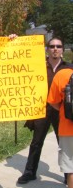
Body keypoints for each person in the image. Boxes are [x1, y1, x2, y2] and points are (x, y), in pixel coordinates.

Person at [17, 37, 72, 184]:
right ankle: (30, 172)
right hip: (42, 109)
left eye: (58, 46)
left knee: (64, 142)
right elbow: (19, 63)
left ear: (62, 49)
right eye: (52, 46)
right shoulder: (38, 66)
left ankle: (69, 175)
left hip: (62, 110)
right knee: (36, 142)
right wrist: (15, 41)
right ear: (47, 49)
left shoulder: (69, 68)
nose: (55, 49)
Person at [47, 68, 73, 188]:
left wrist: (64, 111)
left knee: (71, 168)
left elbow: (53, 101)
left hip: (67, 128)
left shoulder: (62, 74)